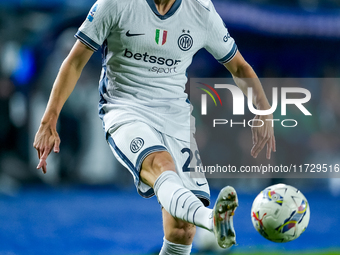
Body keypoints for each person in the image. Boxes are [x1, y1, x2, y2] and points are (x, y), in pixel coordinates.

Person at [33, 0, 276, 254]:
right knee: (161, 165)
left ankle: (203, 218)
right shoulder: (115, 4)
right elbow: (74, 61)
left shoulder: (201, 12)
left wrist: (263, 110)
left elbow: (239, 66)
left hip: (176, 119)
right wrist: (48, 119)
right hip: (124, 108)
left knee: (181, 230)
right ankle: (210, 218)